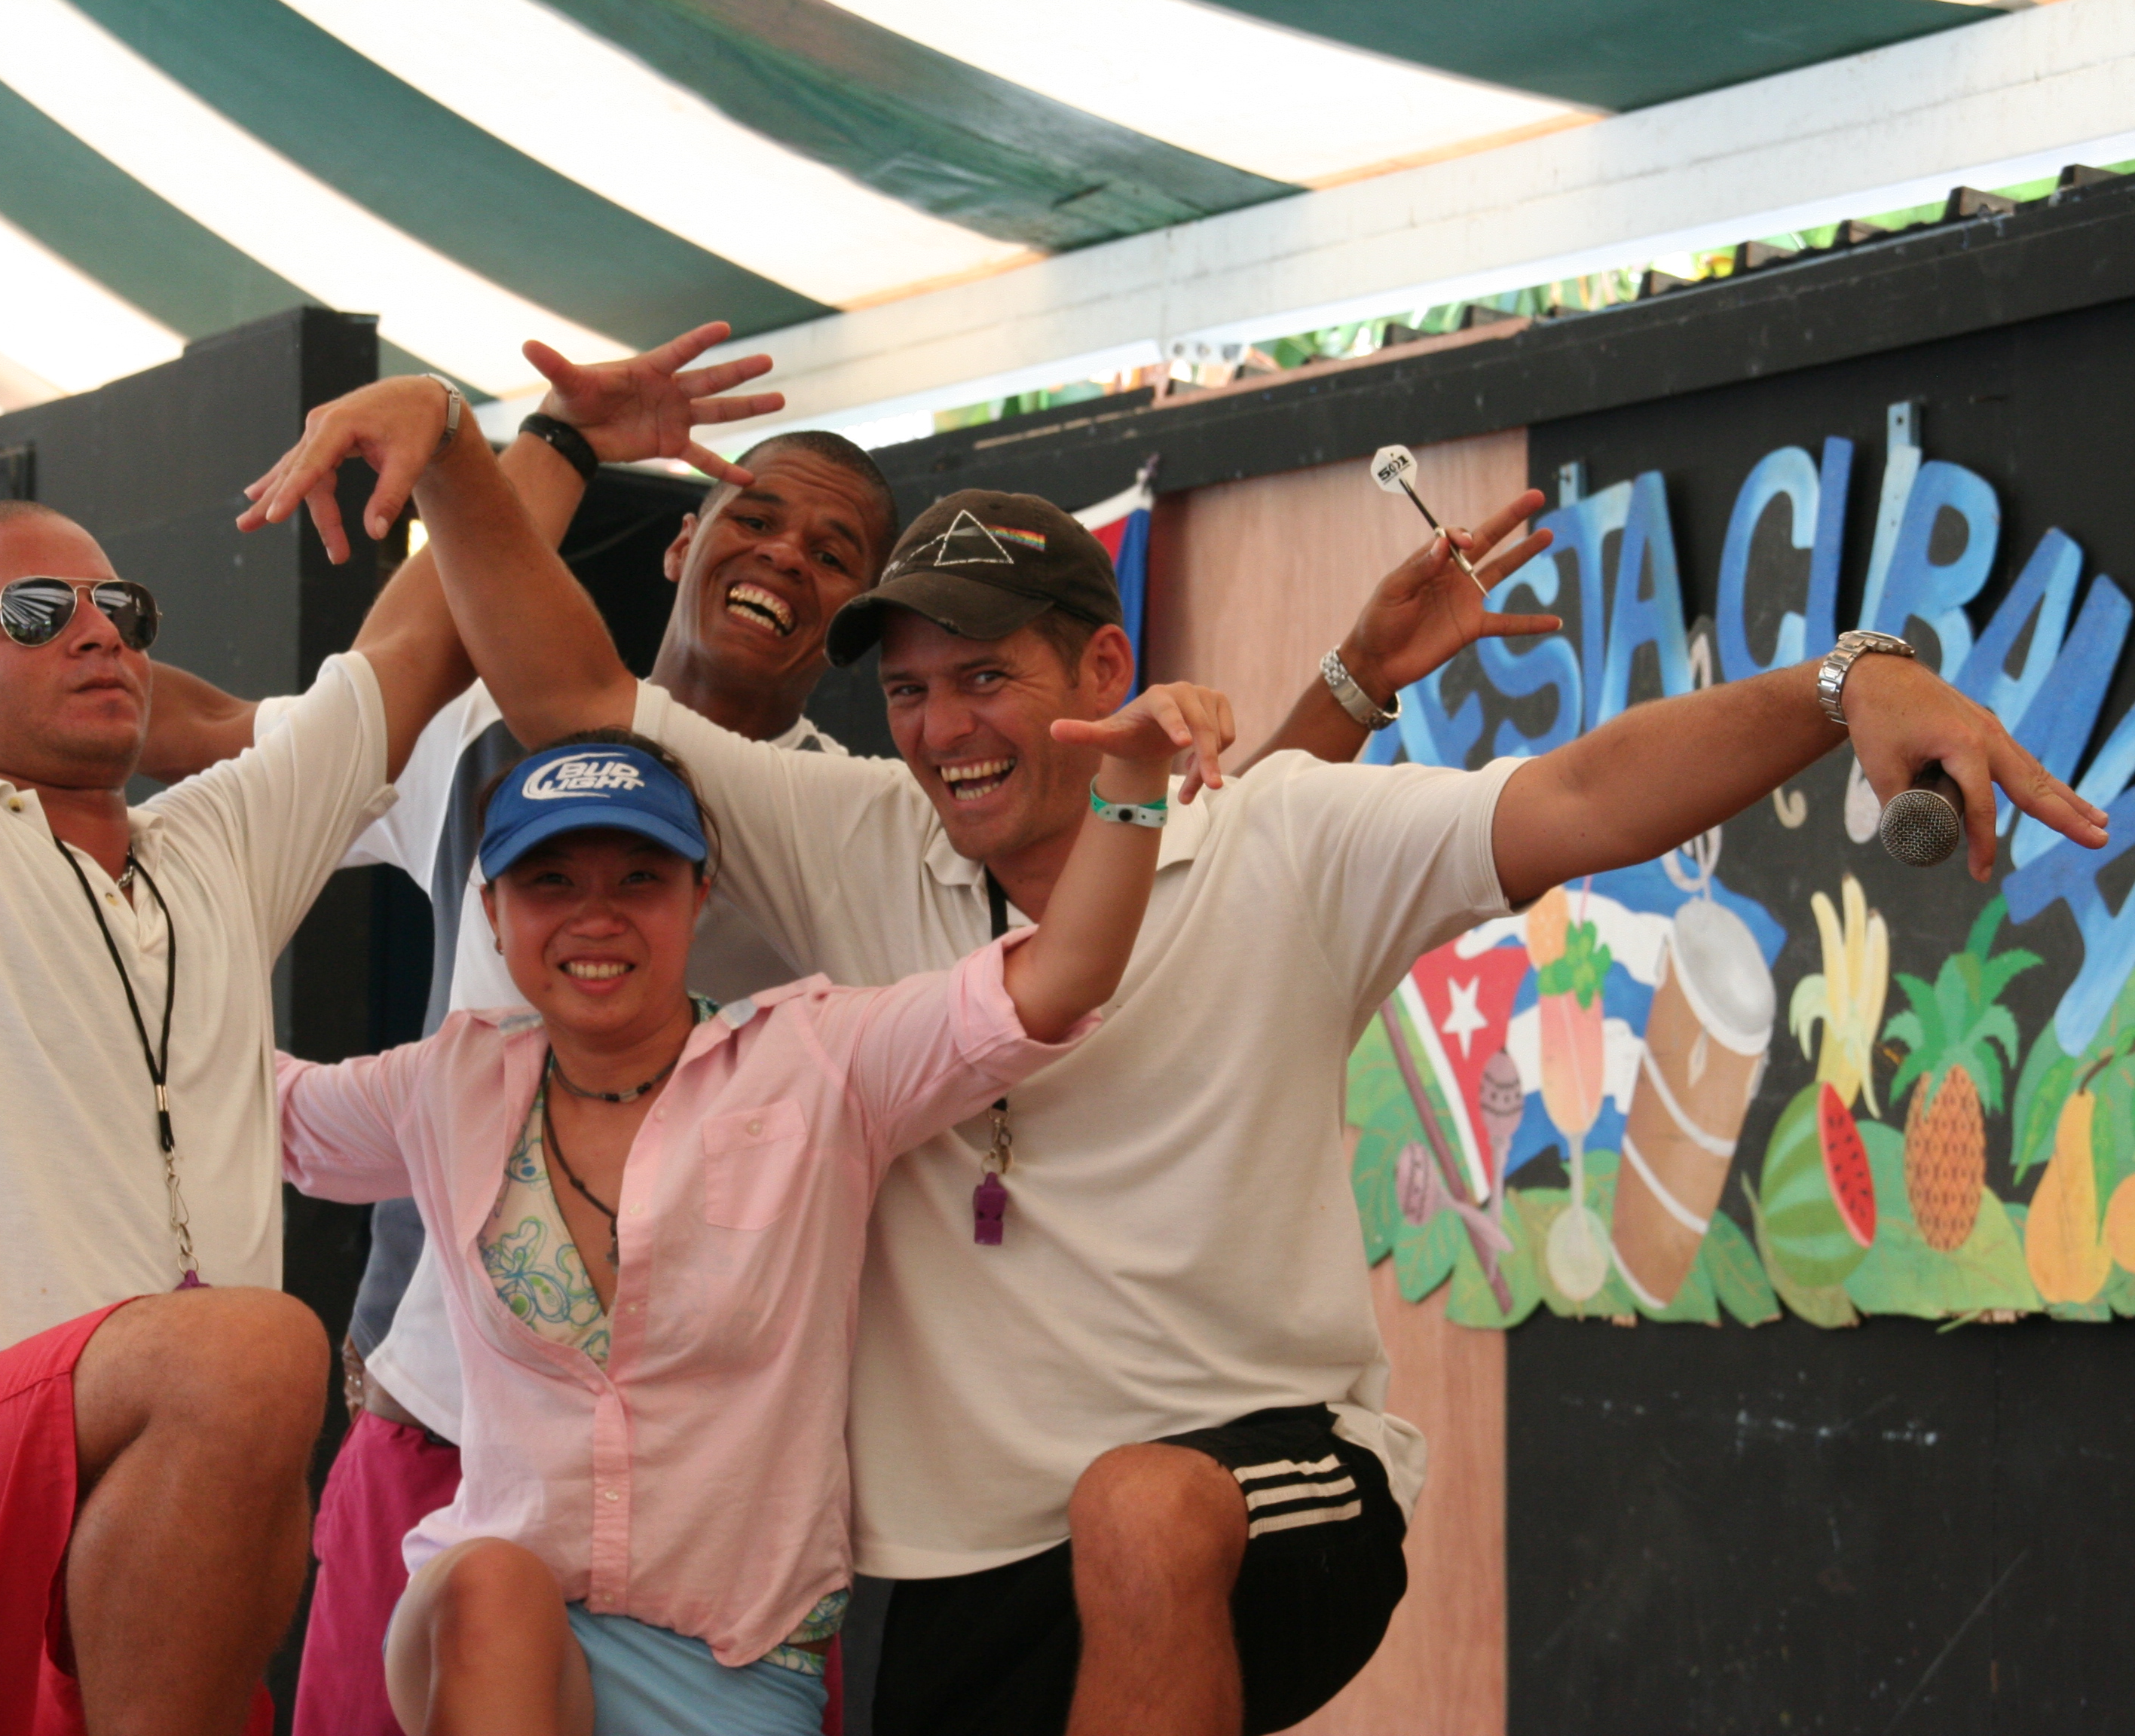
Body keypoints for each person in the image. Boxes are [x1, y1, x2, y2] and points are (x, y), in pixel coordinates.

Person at [247, 387, 2111, 1734]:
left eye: (988, 675)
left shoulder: (1287, 835)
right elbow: (574, 694)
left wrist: (1841, 683)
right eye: (909, 686)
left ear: (1101, 668)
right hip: (937, 1571)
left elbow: (1579, 796)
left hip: (1252, 1482)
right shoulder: (853, 837)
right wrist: (463, 452)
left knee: (1140, 1510)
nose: (944, 726)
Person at [0, 179, 757, 1736]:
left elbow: (406, 645)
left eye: (119, 604)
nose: (100, 631)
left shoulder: (212, 851)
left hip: (116, 1538)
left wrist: (546, 443)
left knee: (240, 1412)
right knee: (253, 1355)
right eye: (37, 611)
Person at [269, 674, 1201, 1731]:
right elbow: (253, 1106)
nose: (596, 916)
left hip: (733, 1666)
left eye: (639, 877)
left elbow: (1059, 978)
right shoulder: (449, 1084)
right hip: (492, 1629)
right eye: (550, 881)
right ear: (491, 911)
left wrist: (1133, 781)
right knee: (492, 1585)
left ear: (699, 896)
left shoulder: (814, 1062)